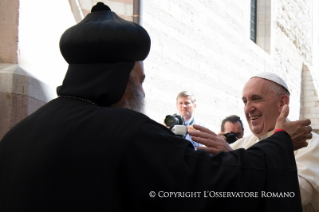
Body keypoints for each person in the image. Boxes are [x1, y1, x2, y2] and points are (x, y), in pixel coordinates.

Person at [0, 3, 311, 211]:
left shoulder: (16, 136)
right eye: (140, 79)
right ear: (120, 77)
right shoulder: (126, 131)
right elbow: (210, 185)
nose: (142, 90)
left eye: (255, 99)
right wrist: (281, 142)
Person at [226, 72, 319, 212]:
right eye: (245, 101)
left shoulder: (310, 142)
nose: (248, 109)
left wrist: (234, 164)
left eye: (256, 99)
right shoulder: (234, 147)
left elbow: (293, 194)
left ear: (282, 103)